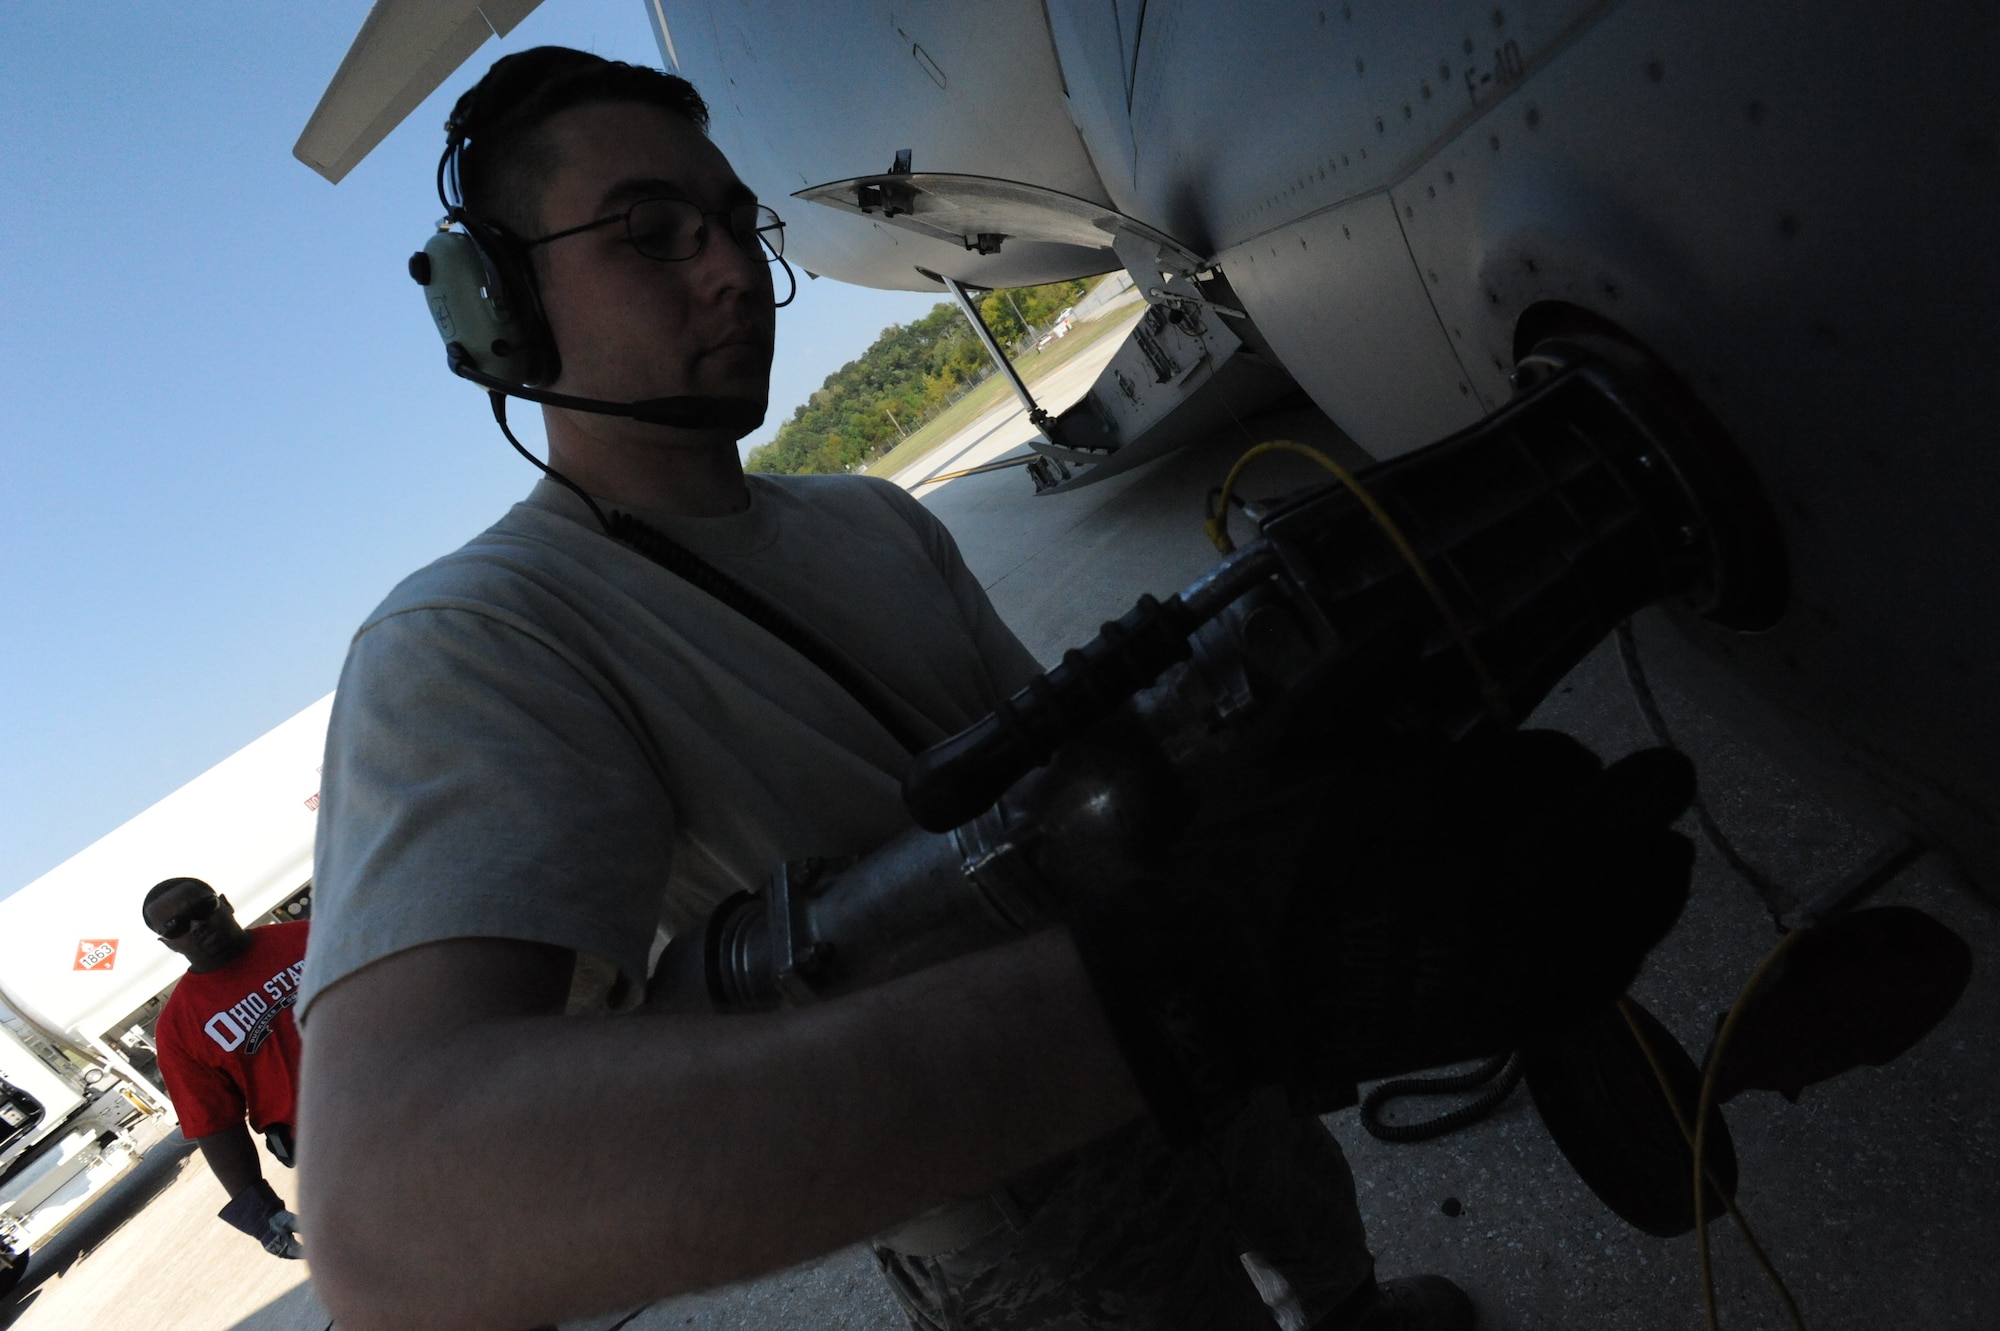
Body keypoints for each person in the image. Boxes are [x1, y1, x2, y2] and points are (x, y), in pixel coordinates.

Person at [295, 48, 1694, 1331]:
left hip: (1205, 1062)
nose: (728, 271)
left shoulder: (866, 515)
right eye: (652, 232)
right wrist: (1181, 984)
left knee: (1320, 1228)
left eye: (735, 223)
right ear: (499, 310)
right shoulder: (481, 633)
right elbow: (396, 1224)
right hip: (1007, 1196)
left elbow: (1098, 752)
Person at [144, 876, 306, 1260]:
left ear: (225, 904)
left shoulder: (308, 938)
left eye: (202, 909)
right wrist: (260, 1211)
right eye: (176, 926)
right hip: (333, 1152)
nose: (196, 925)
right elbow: (214, 1125)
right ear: (167, 943)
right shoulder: (179, 1028)